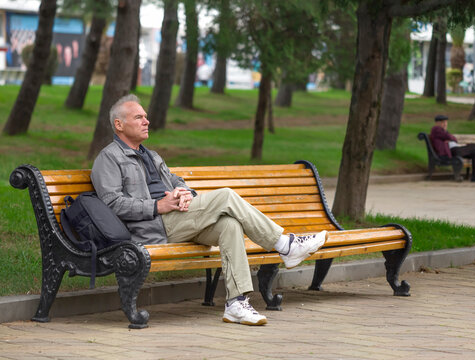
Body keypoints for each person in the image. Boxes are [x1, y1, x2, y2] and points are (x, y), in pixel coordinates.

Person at [91, 94, 328, 326]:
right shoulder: (109, 158)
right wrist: (157, 205)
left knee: (229, 225)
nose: (147, 121)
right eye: (139, 117)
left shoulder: (151, 156)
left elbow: (176, 180)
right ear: (119, 124)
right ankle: (284, 245)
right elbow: (112, 203)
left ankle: (236, 303)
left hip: (178, 218)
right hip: (153, 226)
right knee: (225, 196)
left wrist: (185, 194)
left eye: (146, 116)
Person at [429, 114, 475, 182]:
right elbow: (449, 137)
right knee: (473, 147)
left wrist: (450, 138)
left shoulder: (443, 131)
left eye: (446, 122)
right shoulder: (436, 129)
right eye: (442, 122)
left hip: (455, 149)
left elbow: (454, 139)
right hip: (451, 151)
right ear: (437, 123)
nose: (445, 124)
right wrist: (450, 138)